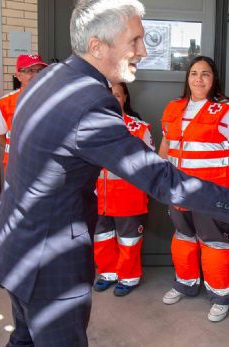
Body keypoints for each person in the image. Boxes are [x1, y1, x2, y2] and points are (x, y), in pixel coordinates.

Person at [0, 0, 229, 347]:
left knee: (25, 339)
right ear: (97, 45)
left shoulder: (50, 77)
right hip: (47, 259)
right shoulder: (89, 102)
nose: (143, 50)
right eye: (134, 40)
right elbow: (160, 177)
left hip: (14, 242)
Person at [159, 56, 229, 322]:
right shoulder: (174, 107)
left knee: (215, 244)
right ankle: (185, 283)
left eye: (205, 74)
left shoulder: (228, 110)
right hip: (177, 191)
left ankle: (221, 295)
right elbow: (165, 147)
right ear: (187, 78)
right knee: (183, 238)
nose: (198, 79)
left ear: (214, 79)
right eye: (194, 73)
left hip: (214, 194)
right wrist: (157, 179)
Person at [93, 82, 155, 297]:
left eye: (117, 95)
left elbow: (150, 166)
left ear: (125, 98)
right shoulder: (92, 127)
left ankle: (128, 277)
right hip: (99, 195)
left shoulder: (140, 128)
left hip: (129, 197)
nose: (112, 99)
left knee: (128, 240)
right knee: (102, 237)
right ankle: (107, 273)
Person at [0, 54, 47, 170]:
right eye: (30, 71)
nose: (36, 75)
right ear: (18, 75)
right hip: (17, 167)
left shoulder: (54, 100)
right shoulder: (3, 104)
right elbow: (0, 136)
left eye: (40, 70)